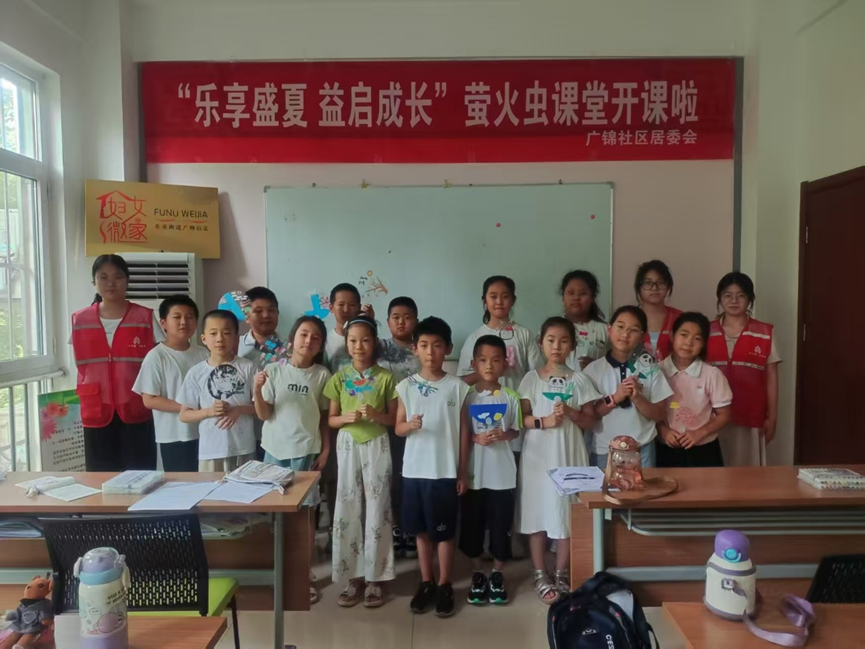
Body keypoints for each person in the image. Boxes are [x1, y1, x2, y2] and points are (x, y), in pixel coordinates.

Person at [517, 317, 600, 605]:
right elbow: (522, 418)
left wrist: (572, 412)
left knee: (566, 511)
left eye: (564, 341)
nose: (556, 346)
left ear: (572, 346)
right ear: (541, 343)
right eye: (551, 340)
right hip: (537, 455)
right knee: (537, 512)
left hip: (569, 453)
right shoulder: (530, 379)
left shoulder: (580, 380)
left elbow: (591, 422)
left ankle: (562, 572)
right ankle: (540, 573)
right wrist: (545, 421)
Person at [396, 316, 470, 618]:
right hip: (415, 471)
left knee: (444, 532)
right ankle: (426, 582)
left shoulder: (458, 387)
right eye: (424, 345)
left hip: (444, 472)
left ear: (447, 349)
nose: (430, 352)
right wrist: (409, 426)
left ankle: (444, 584)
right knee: (421, 532)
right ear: (415, 349)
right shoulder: (406, 386)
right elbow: (398, 427)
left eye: (437, 345)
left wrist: (462, 471)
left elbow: (465, 432)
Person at [254, 315, 331, 605]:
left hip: (307, 453)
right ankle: (278, 572)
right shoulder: (274, 370)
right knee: (275, 517)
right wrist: (256, 389)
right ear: (292, 339)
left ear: (321, 345)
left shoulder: (323, 375)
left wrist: (325, 450)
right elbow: (264, 414)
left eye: (315, 337)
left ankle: (304, 574)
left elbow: (324, 417)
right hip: (275, 452)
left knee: (305, 517)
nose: (308, 341)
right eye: (303, 334)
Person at [323, 314, 396, 609]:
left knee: (378, 506)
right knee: (347, 504)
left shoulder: (386, 377)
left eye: (365, 340)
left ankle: (376, 577)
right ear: (346, 343)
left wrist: (376, 416)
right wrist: (345, 418)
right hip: (348, 443)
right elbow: (331, 419)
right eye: (353, 340)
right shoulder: (339, 378)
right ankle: (352, 577)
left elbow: (393, 419)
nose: (358, 346)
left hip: (377, 442)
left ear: (374, 342)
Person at [70, 254, 164, 471]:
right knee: (100, 477)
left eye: (117, 277)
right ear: (94, 281)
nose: (110, 283)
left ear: (127, 280)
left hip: (137, 405)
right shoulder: (80, 320)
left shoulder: (144, 317)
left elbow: (160, 360)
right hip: (95, 406)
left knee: (141, 473)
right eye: (103, 277)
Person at [461, 335, 522, 606]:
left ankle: (497, 574)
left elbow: (516, 430)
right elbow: (461, 432)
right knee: (472, 525)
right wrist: (475, 438)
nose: (489, 365)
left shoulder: (511, 396)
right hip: (474, 474)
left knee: (501, 526)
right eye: (483, 360)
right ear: (474, 363)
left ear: (505, 365)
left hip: (502, 475)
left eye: (496, 360)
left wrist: (503, 435)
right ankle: (477, 573)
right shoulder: (467, 397)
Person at [583, 306, 673, 469]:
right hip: (604, 448)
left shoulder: (650, 369)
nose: (625, 334)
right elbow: (590, 415)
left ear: (642, 337)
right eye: (620, 327)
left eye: (634, 330)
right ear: (609, 329)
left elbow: (659, 414)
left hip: (642, 448)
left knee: (643, 486)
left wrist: (637, 398)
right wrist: (615, 398)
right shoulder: (593, 370)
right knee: (605, 486)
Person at [706, 272, 780, 466]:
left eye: (741, 295)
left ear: (750, 299)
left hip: (751, 414)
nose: (734, 301)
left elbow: (772, 378)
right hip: (712, 416)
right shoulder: (706, 331)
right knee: (715, 471)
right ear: (720, 299)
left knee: (749, 472)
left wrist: (772, 418)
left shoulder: (765, 332)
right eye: (727, 295)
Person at [133, 295, 209, 472]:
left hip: (205, 433)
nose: (184, 322)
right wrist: (189, 410)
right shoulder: (156, 356)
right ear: (163, 323)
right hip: (174, 435)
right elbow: (149, 400)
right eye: (177, 317)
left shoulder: (204, 354)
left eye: (190, 317)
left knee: (207, 481)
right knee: (180, 484)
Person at [179, 310, 257, 472]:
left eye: (226, 333)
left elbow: (263, 408)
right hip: (211, 450)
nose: (220, 339)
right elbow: (184, 415)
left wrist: (239, 409)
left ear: (236, 338)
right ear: (204, 338)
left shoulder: (248, 367)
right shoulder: (196, 372)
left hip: (244, 448)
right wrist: (209, 411)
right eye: (213, 333)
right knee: (211, 488)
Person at [656, 312, 733, 468]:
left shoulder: (712, 374)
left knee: (707, 485)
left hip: (703, 449)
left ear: (703, 343)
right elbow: (648, 410)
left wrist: (699, 433)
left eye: (697, 338)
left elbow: (724, 415)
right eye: (683, 335)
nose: (688, 342)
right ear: (672, 336)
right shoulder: (657, 371)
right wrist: (663, 430)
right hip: (665, 447)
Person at [378, 296, 421, 560]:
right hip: (386, 424)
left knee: (412, 480)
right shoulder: (379, 347)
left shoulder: (422, 347)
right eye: (396, 317)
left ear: (416, 320)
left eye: (407, 317)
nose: (401, 322)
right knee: (392, 479)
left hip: (417, 426)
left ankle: (411, 528)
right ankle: (395, 527)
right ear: (387, 322)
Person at [237, 286, 281, 461]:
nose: (266, 315)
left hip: (277, 435)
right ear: (247, 316)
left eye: (271, 310)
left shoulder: (290, 351)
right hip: (242, 435)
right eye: (258, 311)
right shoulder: (233, 347)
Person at [560, 270, 608, 371]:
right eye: (570, 293)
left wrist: (597, 366)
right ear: (563, 298)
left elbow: (619, 365)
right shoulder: (551, 329)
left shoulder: (607, 331)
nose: (576, 298)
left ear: (592, 298)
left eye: (582, 293)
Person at [635, 260, 682, 361]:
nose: (654, 288)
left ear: (668, 287)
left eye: (661, 283)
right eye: (648, 283)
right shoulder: (628, 318)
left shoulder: (680, 319)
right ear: (639, 288)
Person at [324, 283, 374, 373]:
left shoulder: (369, 339)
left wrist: (369, 323)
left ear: (359, 307)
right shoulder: (325, 341)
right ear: (331, 308)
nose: (346, 310)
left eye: (352, 305)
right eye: (341, 304)